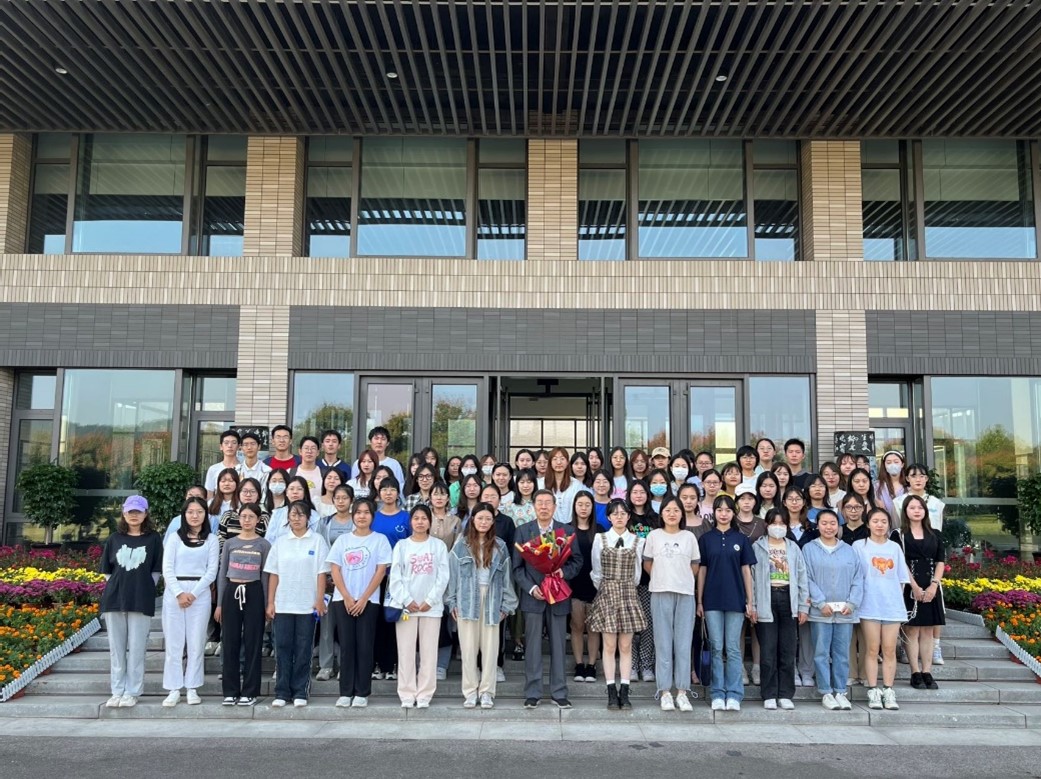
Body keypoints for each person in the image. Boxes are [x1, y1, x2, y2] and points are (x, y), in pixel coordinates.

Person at [513, 489, 584, 709]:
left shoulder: (566, 531)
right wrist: (531, 588)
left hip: (558, 596)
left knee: (558, 646)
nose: (543, 507)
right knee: (533, 647)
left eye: (547, 503)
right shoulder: (523, 531)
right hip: (533, 597)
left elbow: (577, 561)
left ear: (555, 506)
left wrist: (564, 573)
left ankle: (559, 692)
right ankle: (533, 693)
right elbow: (517, 568)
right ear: (533, 506)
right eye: (539, 503)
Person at [447, 502, 518, 708]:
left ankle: (487, 691)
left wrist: (507, 605)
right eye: (480, 518)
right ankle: (470, 691)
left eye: (488, 519)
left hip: (492, 599)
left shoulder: (500, 546)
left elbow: (507, 578)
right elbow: (452, 575)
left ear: (493, 521)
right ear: (473, 520)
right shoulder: (461, 545)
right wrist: (451, 601)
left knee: (490, 650)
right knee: (468, 650)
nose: (484, 522)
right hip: (467, 599)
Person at [264, 500, 331, 708]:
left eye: (301, 515)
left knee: (303, 649)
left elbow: (321, 573)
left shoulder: (317, 541)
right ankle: (282, 691)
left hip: (307, 605)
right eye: (293, 514)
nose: (297, 518)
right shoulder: (281, 542)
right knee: (283, 647)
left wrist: (319, 600)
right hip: (283, 603)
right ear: (288, 518)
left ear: (308, 518)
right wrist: (270, 602)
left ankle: (300, 690)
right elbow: (273, 574)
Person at [99, 496, 163, 708]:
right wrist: (120, 588)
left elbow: (156, 570)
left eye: (138, 511)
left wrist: (144, 588)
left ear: (145, 514)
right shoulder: (114, 539)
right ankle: (117, 690)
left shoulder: (153, 539)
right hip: (114, 599)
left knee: (137, 648)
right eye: (130, 512)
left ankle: (132, 691)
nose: (134, 515)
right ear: (124, 514)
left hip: (141, 599)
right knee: (116, 649)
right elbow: (107, 572)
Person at [327, 498, 392, 709]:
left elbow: (381, 571)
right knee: (347, 646)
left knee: (365, 646)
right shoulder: (343, 540)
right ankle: (345, 692)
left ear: (372, 516)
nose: (362, 516)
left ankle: (362, 692)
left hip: (369, 601)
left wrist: (364, 598)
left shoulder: (380, 540)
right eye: (358, 512)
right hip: (343, 600)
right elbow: (335, 569)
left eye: (366, 512)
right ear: (352, 515)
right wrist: (347, 596)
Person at [697, 494, 756, 712]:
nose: (723, 514)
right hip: (711, 600)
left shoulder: (741, 539)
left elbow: (746, 571)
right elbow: (702, 571)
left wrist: (750, 601)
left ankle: (734, 693)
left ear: (734, 513)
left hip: (735, 599)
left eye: (728, 510)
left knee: (732, 648)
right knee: (715, 647)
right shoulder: (706, 539)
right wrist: (699, 600)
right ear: (714, 513)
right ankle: (717, 693)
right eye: (719, 510)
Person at [803, 509, 864, 711]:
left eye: (832, 523)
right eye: (824, 523)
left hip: (845, 612)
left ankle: (840, 691)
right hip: (821, 611)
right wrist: (820, 603)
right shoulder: (809, 549)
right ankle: (826, 692)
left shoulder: (848, 550)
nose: (828, 527)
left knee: (842, 653)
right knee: (821, 652)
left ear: (838, 526)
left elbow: (858, 578)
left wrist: (852, 603)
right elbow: (806, 577)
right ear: (817, 525)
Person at [389, 505, 450, 708]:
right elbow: (395, 577)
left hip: (431, 608)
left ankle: (424, 694)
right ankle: (407, 693)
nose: (420, 522)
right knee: (405, 652)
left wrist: (430, 601)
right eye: (416, 518)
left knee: (429, 653)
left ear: (430, 522)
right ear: (410, 522)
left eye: (424, 518)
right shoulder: (402, 546)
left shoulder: (438, 546)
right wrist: (407, 600)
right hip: (407, 608)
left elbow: (443, 576)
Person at [161, 495, 219, 707]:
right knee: (174, 643)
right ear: (184, 514)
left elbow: (211, 571)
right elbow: (167, 568)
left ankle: (192, 687)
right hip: (174, 593)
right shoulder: (174, 538)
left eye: (200, 512)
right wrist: (179, 593)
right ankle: (174, 688)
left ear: (206, 515)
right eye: (191, 512)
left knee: (196, 642)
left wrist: (193, 594)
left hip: (200, 594)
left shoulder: (211, 540)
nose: (195, 516)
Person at [587, 498, 645, 710]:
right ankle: (611, 690)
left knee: (626, 645)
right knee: (609, 645)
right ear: (609, 517)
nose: (619, 517)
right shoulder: (600, 538)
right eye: (615, 513)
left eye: (623, 513)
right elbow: (596, 571)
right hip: (607, 592)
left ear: (629, 516)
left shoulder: (638, 541)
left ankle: (625, 691)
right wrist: (607, 589)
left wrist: (625, 587)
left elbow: (637, 573)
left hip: (628, 592)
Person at [644, 496, 700, 713]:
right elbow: (648, 563)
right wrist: (663, 577)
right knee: (663, 643)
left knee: (683, 644)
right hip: (660, 592)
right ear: (662, 513)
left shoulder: (689, 537)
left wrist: (680, 578)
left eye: (676, 510)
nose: (672, 514)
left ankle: (683, 692)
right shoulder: (653, 536)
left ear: (682, 514)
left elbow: (695, 565)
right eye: (667, 510)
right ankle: (665, 691)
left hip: (685, 593)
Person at [852, 507, 910, 711]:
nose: (879, 525)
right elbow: (855, 576)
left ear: (888, 525)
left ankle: (888, 689)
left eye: (883, 521)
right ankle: (873, 690)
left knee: (889, 649)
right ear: (868, 524)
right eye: (875, 521)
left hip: (891, 606)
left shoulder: (895, 547)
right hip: (869, 604)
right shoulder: (859, 546)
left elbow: (902, 579)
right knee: (871, 649)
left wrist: (895, 600)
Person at [751, 508, 809, 710]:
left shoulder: (793, 547)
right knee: (768, 651)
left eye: (781, 524)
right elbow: (751, 579)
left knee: (787, 650)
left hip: (788, 599)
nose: (778, 527)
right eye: (774, 523)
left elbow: (802, 576)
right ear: (766, 525)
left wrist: (803, 605)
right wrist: (753, 605)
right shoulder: (757, 547)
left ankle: (785, 694)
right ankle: (768, 694)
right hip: (766, 599)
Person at [214, 501, 271, 706]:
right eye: (243, 516)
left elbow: (265, 576)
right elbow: (222, 574)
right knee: (230, 641)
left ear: (258, 520)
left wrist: (267, 604)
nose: (247, 520)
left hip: (254, 591)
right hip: (232, 591)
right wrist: (219, 604)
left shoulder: (264, 545)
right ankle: (230, 691)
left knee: (253, 641)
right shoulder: (230, 543)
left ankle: (250, 691)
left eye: (251, 517)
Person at [893, 462, 947, 666]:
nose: (916, 511)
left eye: (919, 508)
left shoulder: (936, 518)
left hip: (931, 575)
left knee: (928, 627)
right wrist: (913, 585)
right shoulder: (898, 527)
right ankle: (913, 666)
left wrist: (934, 584)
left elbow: (941, 560)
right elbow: (900, 559)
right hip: (910, 579)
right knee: (912, 626)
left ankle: (930, 662)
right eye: (912, 508)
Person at [371, 476, 410, 680]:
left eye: (392, 489)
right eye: (384, 489)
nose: (388, 493)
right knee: (378, 621)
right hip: (376, 578)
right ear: (379, 493)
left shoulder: (406, 517)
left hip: (400, 578)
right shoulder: (373, 517)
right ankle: (378, 664)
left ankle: (394, 664)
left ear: (398, 493)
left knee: (396, 621)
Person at [315, 484, 355, 681]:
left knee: (348, 626)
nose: (340, 501)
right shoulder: (325, 523)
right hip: (330, 581)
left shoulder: (358, 521)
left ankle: (346, 665)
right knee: (327, 625)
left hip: (352, 582)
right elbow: (321, 550)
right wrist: (326, 576)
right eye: (337, 498)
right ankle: (326, 665)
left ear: (351, 501)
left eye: (344, 498)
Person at [569, 491, 600, 684]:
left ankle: (592, 665)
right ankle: (579, 664)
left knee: (593, 628)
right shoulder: (567, 529)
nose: (583, 508)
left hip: (596, 585)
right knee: (577, 626)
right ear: (574, 506)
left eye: (587, 504)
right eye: (580, 504)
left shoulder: (600, 530)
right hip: (574, 585)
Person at [544, 446, 584, 525]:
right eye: (555, 459)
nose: (559, 462)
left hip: (571, 525)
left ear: (567, 462)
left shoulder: (576, 484)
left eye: (562, 459)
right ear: (550, 462)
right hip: (548, 526)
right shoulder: (541, 483)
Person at [205, 429, 241, 498]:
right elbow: (210, 493)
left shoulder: (244, 468)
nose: (230, 446)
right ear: (221, 446)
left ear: (239, 447)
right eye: (226, 443)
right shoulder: (213, 469)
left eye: (234, 443)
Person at [291, 436, 323, 505]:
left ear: (318, 452)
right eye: (306, 448)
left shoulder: (324, 474)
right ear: (300, 451)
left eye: (313, 448)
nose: (309, 451)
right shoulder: (290, 473)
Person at [875, 450, 907, 520]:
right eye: (889, 462)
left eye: (896, 462)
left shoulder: (909, 486)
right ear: (884, 465)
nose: (893, 465)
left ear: (902, 464)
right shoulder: (877, 486)